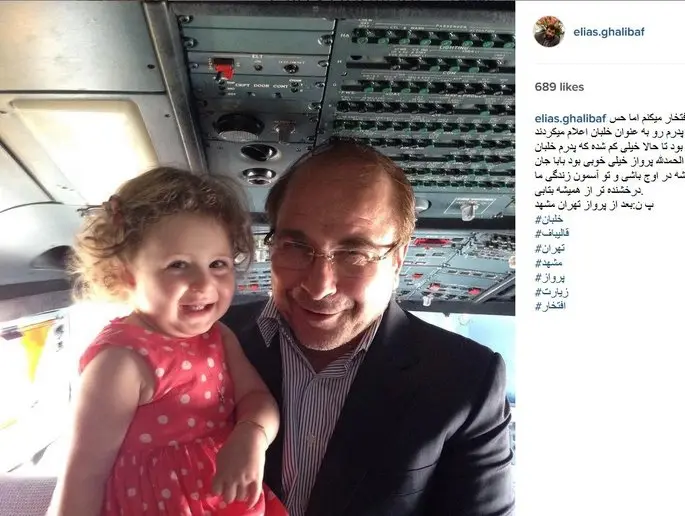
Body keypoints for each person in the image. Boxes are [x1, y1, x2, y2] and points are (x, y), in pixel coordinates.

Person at [222, 140, 515, 516]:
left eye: (354, 253)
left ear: (397, 258)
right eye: (295, 245)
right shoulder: (205, 337)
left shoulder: (467, 381)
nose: (319, 286)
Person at [48, 168, 287, 516]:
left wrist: (251, 434)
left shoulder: (218, 337)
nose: (204, 283)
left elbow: (256, 397)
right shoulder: (121, 362)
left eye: (217, 263)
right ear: (126, 274)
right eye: (178, 265)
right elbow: (83, 477)